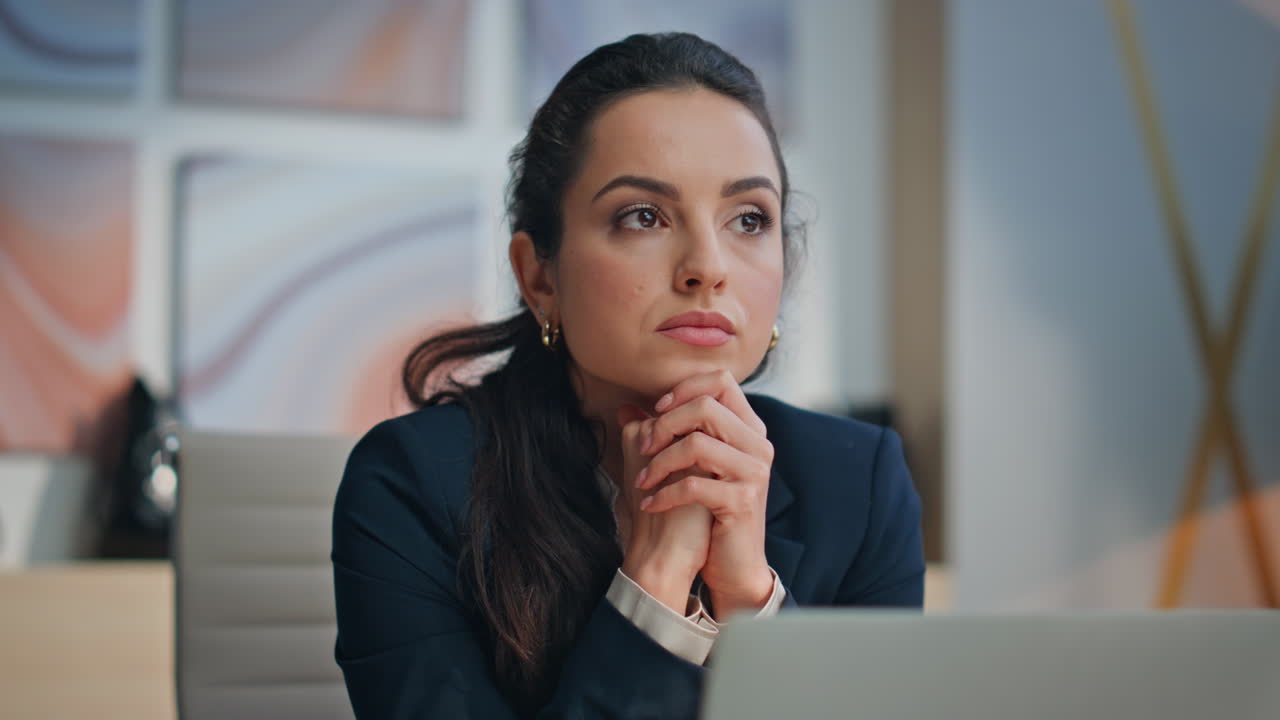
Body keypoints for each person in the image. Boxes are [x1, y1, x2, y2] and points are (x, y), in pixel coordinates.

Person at [331, 31, 924, 719]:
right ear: (539, 276)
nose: (709, 265)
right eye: (643, 216)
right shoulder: (411, 485)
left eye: (749, 218)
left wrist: (750, 601)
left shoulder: (861, 482)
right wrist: (654, 587)